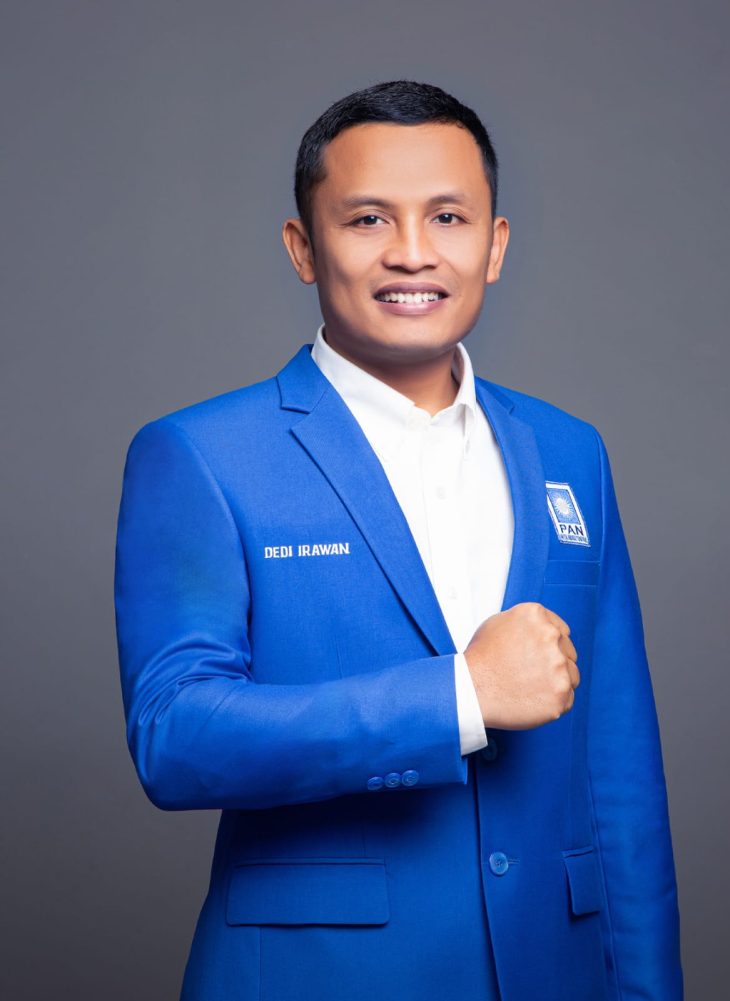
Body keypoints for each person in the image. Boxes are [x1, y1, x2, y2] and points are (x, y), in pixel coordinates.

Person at [114, 80, 683, 1001]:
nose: (413, 252)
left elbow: (620, 772)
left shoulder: (571, 451)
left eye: (448, 217)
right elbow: (173, 735)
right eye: (368, 218)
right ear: (304, 246)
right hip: (317, 978)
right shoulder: (202, 454)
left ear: (495, 244)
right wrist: (460, 694)